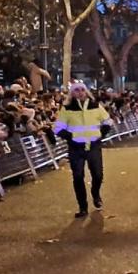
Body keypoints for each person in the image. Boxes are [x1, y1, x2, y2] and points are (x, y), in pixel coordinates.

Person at [53, 82, 112, 217]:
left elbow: (108, 122)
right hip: (76, 148)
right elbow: (58, 128)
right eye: (77, 90)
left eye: (82, 90)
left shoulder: (95, 106)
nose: (80, 92)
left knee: (98, 175)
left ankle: (95, 194)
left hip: (93, 146)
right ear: (72, 93)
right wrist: (71, 137)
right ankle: (83, 207)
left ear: (86, 92)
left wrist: (100, 134)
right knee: (78, 177)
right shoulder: (67, 109)